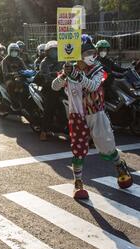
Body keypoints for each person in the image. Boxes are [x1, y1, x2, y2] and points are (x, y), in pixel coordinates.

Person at [51, 34, 133, 199]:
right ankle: (78, 183)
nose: (92, 56)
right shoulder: (69, 68)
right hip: (77, 115)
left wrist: (77, 75)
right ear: (79, 55)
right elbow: (54, 87)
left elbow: (94, 85)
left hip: (96, 113)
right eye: (87, 53)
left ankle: (119, 165)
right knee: (78, 150)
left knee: (107, 146)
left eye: (93, 53)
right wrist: (63, 76)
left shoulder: (99, 69)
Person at [38, 41, 65, 141]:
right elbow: (47, 78)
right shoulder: (44, 62)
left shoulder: (62, 60)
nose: (55, 52)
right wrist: (57, 77)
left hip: (62, 86)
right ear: (47, 52)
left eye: (56, 50)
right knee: (50, 107)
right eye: (52, 50)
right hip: (50, 88)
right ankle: (43, 131)